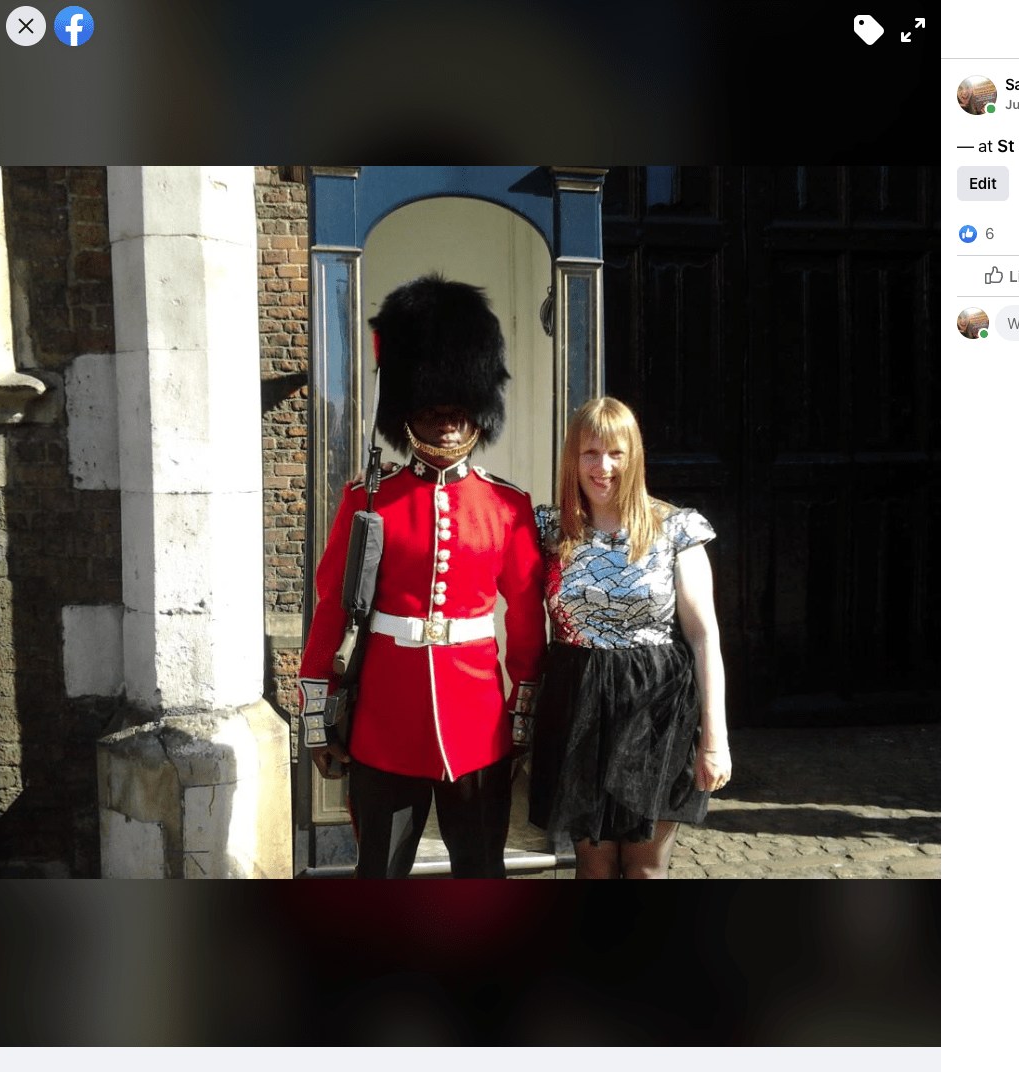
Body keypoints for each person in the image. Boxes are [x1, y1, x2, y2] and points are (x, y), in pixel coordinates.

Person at [298, 274, 546, 878]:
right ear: (408, 413)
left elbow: (526, 618)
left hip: (479, 727)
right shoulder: (366, 499)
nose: (446, 425)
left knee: (480, 872)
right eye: (432, 413)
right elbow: (331, 606)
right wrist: (316, 717)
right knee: (379, 874)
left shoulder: (507, 506)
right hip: (386, 721)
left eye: (459, 413)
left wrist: (522, 715)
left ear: (477, 417)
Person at [526, 397, 730, 879]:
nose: (603, 467)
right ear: (572, 459)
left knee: (645, 869)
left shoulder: (677, 528)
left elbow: (704, 637)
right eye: (590, 453)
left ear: (634, 455)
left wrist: (715, 740)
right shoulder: (548, 529)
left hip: (658, 709)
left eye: (616, 453)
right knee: (592, 868)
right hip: (576, 704)